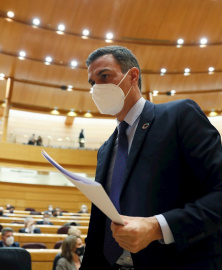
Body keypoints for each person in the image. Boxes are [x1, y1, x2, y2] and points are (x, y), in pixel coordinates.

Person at [80, 45, 222, 270]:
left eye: (104, 76)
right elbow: (99, 224)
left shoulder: (179, 116)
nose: (97, 87)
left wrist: (158, 226)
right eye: (92, 82)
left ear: (132, 76)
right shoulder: (106, 149)